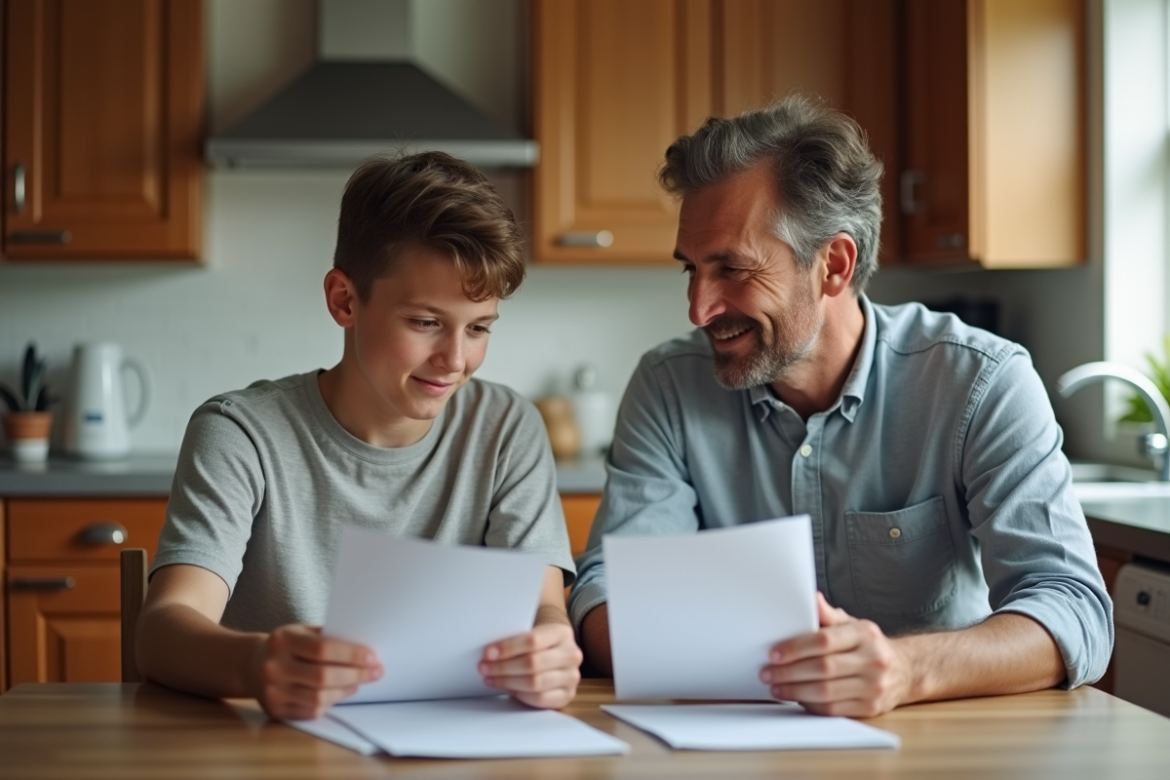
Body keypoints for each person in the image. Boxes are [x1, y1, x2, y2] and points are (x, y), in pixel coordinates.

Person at [569, 95, 1112, 717]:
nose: (699, 308)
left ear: (834, 264)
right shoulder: (668, 386)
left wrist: (906, 670)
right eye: (690, 269)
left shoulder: (980, 383)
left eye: (732, 268)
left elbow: (1073, 608)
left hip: (935, 742)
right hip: (734, 740)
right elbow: (609, 590)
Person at [137, 152, 582, 720]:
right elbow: (161, 631)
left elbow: (542, 605)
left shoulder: (507, 428)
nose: (455, 359)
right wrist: (254, 665)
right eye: (425, 323)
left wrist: (550, 648)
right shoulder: (239, 433)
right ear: (344, 300)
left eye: (478, 328)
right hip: (277, 751)